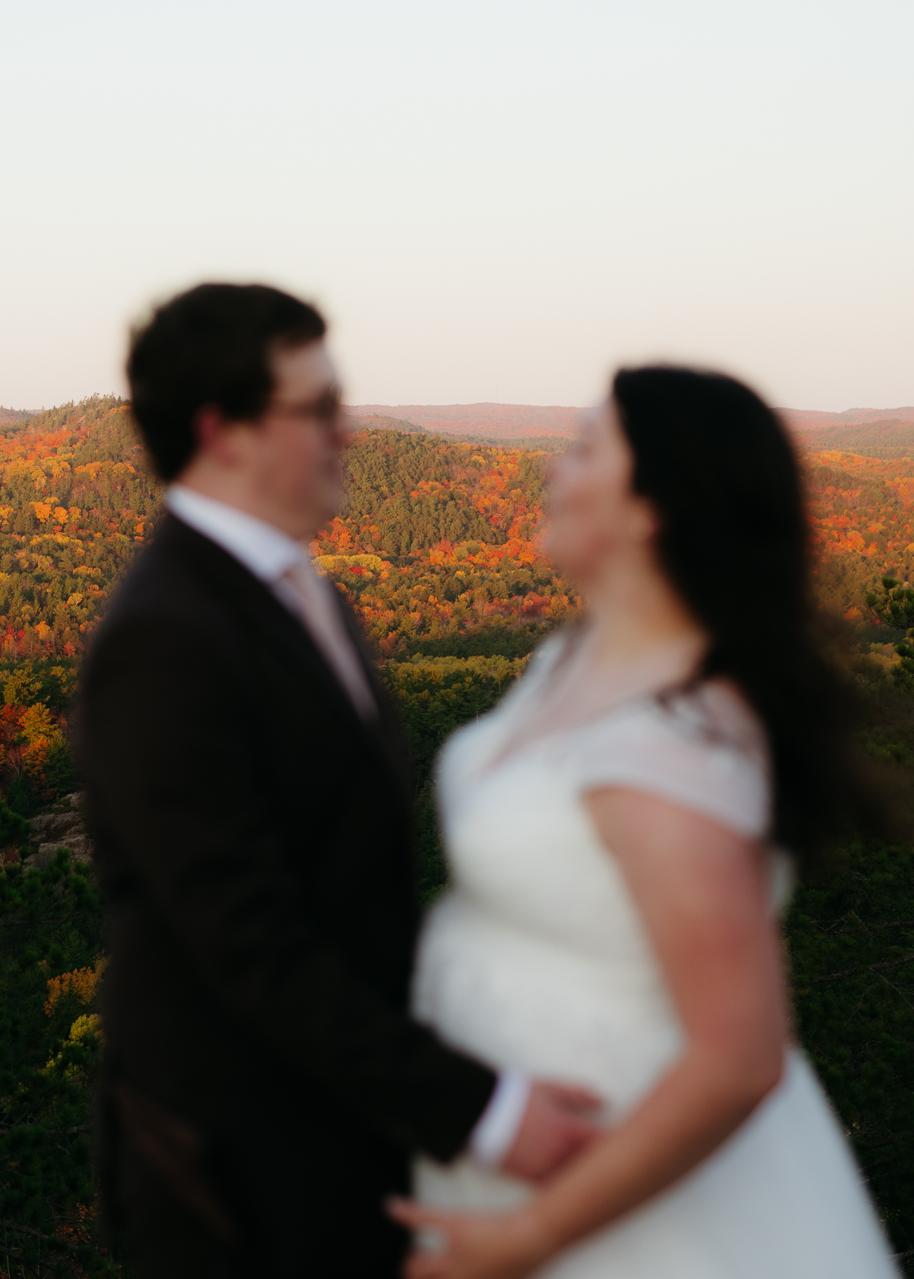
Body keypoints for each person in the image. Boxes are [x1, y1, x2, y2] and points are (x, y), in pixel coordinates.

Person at [74, 283, 604, 1277]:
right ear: (221, 431)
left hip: (344, 1132)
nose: (346, 431)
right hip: (238, 1173)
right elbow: (250, 944)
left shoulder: (298, 592)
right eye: (315, 408)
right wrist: (481, 1113)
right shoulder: (164, 639)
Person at [386, 365, 905, 1278]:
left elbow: (739, 1056)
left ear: (652, 508)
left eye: (587, 446)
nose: (554, 467)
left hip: (631, 1209)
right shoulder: (573, 658)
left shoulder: (674, 736)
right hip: (512, 1152)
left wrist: (532, 1238)